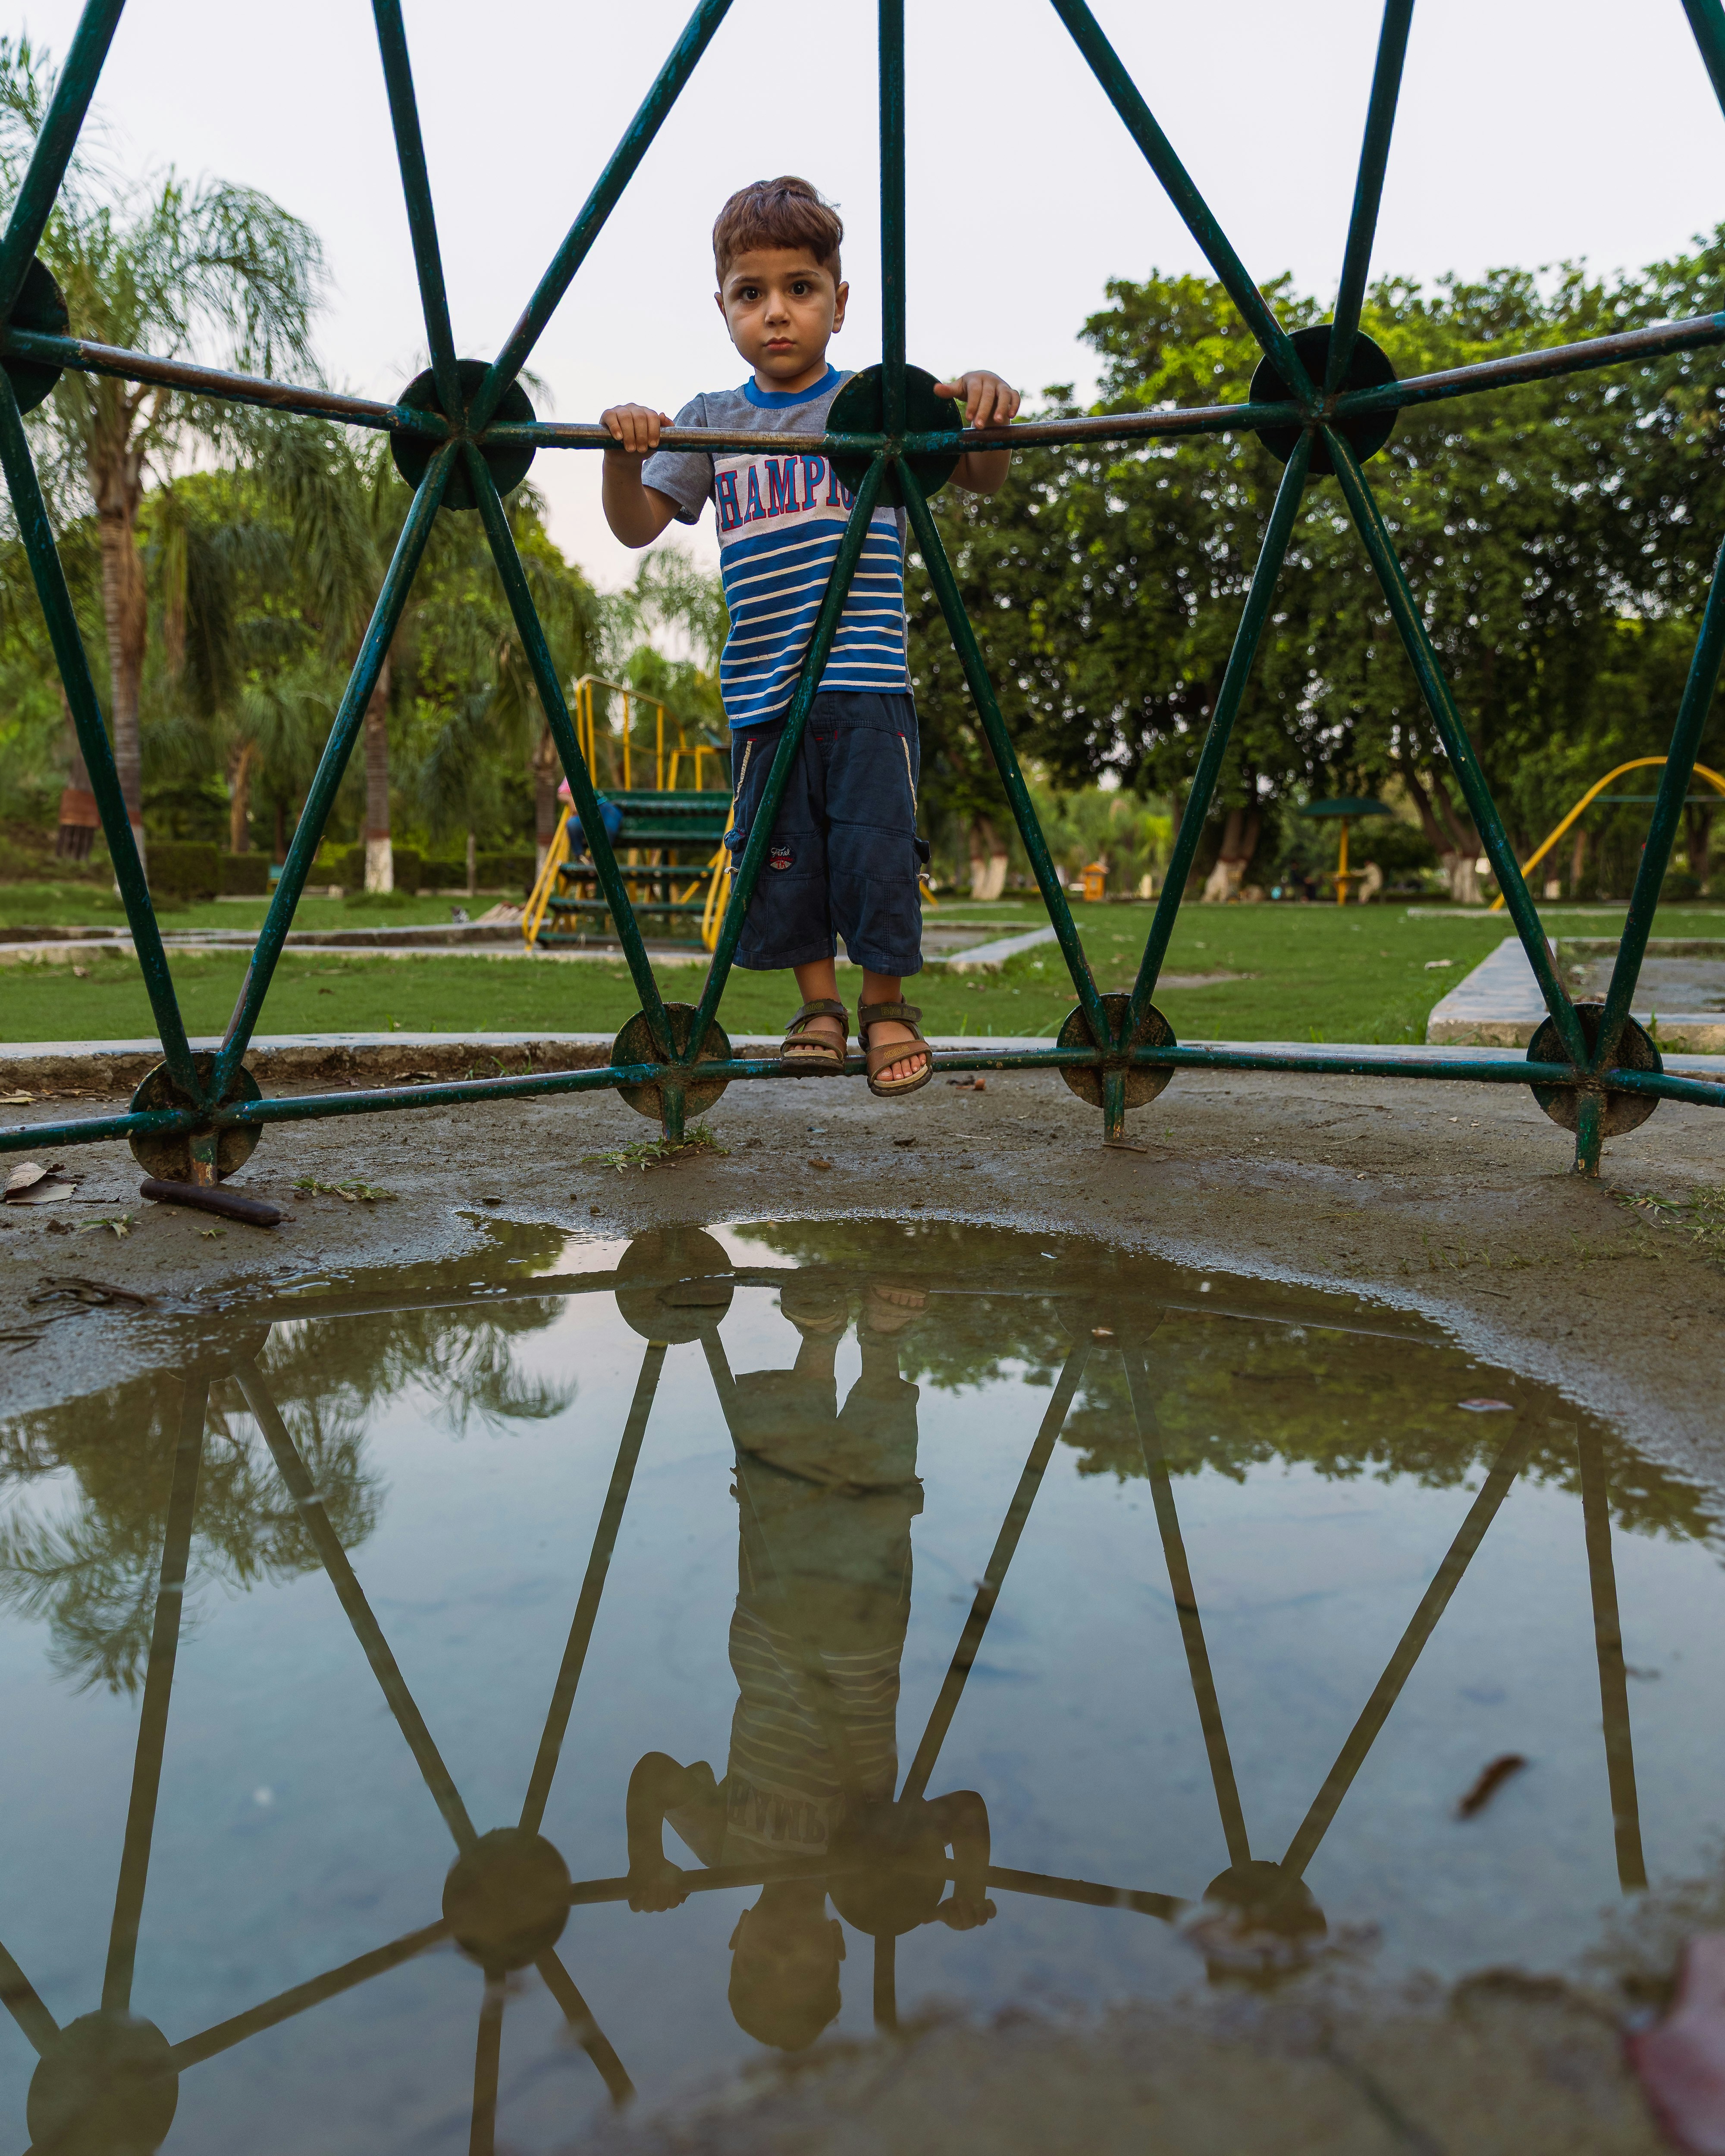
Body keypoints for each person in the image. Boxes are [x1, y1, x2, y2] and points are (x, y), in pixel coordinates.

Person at [599, 175, 1020, 1100]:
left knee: (876, 848)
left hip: (865, 678)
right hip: (763, 686)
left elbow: (981, 476)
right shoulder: (709, 420)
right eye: (750, 295)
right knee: (783, 856)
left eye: (799, 289)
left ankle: (886, 1007)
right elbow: (636, 526)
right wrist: (619, 455)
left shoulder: (877, 409)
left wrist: (985, 408)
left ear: (839, 301)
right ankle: (818, 1009)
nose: (775, 314)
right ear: (722, 307)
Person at [622, 1276, 994, 2052]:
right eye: (806, 1964)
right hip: (866, 1640)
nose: (786, 1947)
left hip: (770, 1630)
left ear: (739, 1942)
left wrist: (647, 1860)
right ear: (836, 1950)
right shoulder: (874, 1881)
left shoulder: (721, 1854)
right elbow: (962, 1811)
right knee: (878, 1496)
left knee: (778, 1489)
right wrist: (967, 1884)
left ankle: (818, 1343)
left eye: (764, 1962)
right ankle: (883, 1348)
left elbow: (656, 1776)